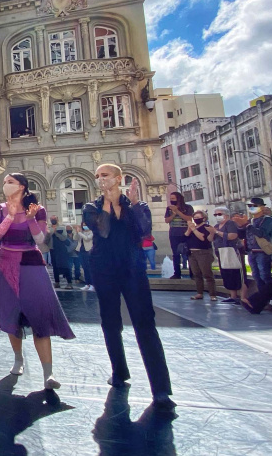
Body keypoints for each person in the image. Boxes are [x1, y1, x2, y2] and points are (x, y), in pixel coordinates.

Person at [83, 164, 174, 411]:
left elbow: (143, 231)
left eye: (106, 175)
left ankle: (161, 388)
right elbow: (103, 230)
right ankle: (119, 371)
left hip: (132, 269)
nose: (101, 179)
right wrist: (108, 204)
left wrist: (132, 205)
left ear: (118, 178)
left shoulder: (138, 205)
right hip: (104, 269)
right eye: (98, 176)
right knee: (110, 322)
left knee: (145, 324)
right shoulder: (91, 207)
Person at [0, 173, 74, 389]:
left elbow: (40, 239)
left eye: (10, 182)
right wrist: (9, 216)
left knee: (40, 313)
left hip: (31, 261)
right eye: (5, 182)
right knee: (10, 314)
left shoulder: (37, 209)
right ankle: (18, 358)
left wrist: (30, 219)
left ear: (22, 187)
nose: (6, 185)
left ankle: (48, 373)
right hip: (5, 263)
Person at [245, 197, 272, 295]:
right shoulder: (250, 220)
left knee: (265, 275)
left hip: (262, 252)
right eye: (250, 206)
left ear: (261, 207)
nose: (252, 208)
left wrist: (249, 226)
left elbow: (262, 233)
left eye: (254, 206)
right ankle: (263, 299)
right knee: (256, 276)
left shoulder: (267, 220)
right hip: (251, 252)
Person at [208, 206, 245, 305]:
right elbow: (210, 239)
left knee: (235, 272)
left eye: (219, 214)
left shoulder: (230, 223)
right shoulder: (216, 226)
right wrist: (212, 232)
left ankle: (240, 296)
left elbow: (233, 236)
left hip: (231, 250)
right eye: (215, 215)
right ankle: (232, 295)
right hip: (221, 252)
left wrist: (216, 232)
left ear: (226, 215)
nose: (217, 216)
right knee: (226, 273)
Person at [185, 211, 216, 301]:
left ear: (203, 218)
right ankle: (199, 293)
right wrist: (190, 229)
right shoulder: (192, 227)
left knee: (207, 273)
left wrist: (194, 230)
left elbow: (203, 238)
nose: (196, 219)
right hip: (192, 253)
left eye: (198, 217)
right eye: (195, 217)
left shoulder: (206, 227)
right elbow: (185, 237)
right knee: (196, 274)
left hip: (203, 252)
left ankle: (212, 294)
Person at [164, 192, 193, 279]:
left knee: (189, 253)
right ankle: (177, 273)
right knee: (175, 254)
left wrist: (177, 211)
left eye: (173, 198)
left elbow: (189, 218)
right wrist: (173, 213)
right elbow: (167, 220)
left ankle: (193, 273)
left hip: (185, 232)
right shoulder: (169, 209)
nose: (171, 200)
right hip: (173, 233)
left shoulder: (188, 207)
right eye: (171, 198)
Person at [50, 222, 73, 289]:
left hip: (62, 252)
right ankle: (57, 282)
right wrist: (50, 233)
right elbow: (46, 240)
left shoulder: (62, 231)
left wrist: (56, 233)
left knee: (65, 267)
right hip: (53, 251)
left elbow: (64, 239)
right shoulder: (50, 232)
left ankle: (69, 283)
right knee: (55, 267)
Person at [77, 222, 94, 292]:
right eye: (83, 225)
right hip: (81, 251)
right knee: (85, 268)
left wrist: (80, 233)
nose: (84, 226)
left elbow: (87, 238)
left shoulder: (92, 232)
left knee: (90, 268)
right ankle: (87, 284)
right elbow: (76, 238)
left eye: (85, 225)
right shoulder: (82, 232)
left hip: (88, 251)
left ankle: (93, 285)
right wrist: (77, 231)